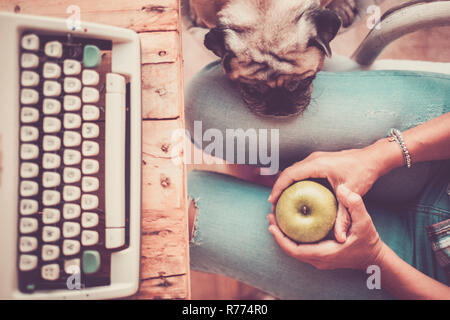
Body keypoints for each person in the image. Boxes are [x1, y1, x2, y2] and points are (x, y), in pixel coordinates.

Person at [185, 61, 450, 299]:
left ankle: (263, 170)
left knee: (180, 215)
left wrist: (375, 258)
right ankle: (264, 168)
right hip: (439, 158)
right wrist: (378, 156)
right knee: (208, 103)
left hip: (421, 273)